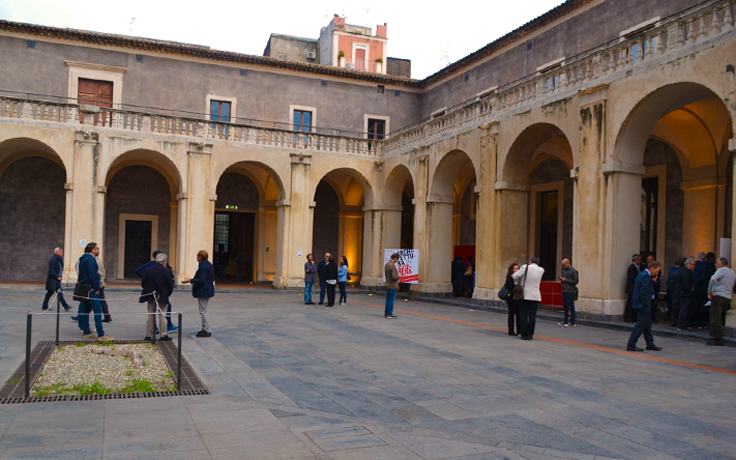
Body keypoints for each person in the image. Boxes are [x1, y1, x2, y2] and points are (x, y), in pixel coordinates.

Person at [77, 242, 113, 341]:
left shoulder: (83, 259)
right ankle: (101, 334)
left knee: (85, 310)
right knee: (97, 310)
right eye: (97, 248)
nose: (98, 250)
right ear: (92, 250)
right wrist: (96, 288)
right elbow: (92, 275)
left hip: (84, 288)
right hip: (91, 289)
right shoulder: (91, 259)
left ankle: (86, 332)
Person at [136, 250, 177, 333]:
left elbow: (144, 283)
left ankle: (149, 333)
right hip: (162, 293)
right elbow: (170, 285)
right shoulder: (165, 270)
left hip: (151, 293)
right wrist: (167, 293)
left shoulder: (149, 269)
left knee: (151, 314)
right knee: (162, 314)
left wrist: (148, 287)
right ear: (163, 261)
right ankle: (163, 334)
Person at [626, 260, 663, 351]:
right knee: (640, 324)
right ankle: (631, 344)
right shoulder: (645, 276)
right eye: (657, 271)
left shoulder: (643, 275)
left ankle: (650, 343)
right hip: (643, 305)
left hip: (643, 304)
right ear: (652, 268)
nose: (657, 273)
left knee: (647, 325)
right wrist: (647, 303)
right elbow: (644, 292)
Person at [183, 250, 215, 338]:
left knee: (203, 311)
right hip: (207, 289)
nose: (196, 258)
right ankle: (204, 328)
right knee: (203, 310)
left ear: (200, 257)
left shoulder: (203, 266)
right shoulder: (208, 264)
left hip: (204, 290)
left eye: (197, 256)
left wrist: (190, 280)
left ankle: (206, 329)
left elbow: (202, 280)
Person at [513, 257, 544, 340]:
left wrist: (519, 282)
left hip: (525, 294)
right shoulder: (541, 270)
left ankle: (524, 333)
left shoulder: (525, 267)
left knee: (523, 314)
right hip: (535, 295)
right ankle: (530, 334)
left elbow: (515, 276)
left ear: (530, 262)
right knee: (532, 316)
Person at [706, 257, 735, 346]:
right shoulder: (732, 272)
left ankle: (717, 338)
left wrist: (709, 291)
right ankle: (720, 334)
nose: (715, 264)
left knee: (715, 317)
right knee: (722, 317)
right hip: (728, 296)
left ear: (722, 263)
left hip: (718, 295)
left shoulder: (721, 270)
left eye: (717, 262)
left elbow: (713, 279)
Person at [41, 247, 72, 311]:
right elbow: (51, 270)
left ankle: (45, 306)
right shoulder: (53, 260)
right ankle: (65, 306)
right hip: (53, 280)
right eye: (60, 252)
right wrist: (57, 276)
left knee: (51, 293)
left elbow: (60, 268)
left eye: (62, 252)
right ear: (56, 252)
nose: (62, 253)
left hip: (57, 279)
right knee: (57, 293)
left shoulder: (59, 259)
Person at [673, 257, 695, 331]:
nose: (694, 266)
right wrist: (687, 293)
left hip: (681, 293)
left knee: (683, 309)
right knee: (684, 309)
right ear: (687, 264)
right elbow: (686, 284)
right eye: (692, 264)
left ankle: (682, 324)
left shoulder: (682, 271)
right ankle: (681, 325)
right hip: (684, 294)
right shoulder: (686, 272)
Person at [692, 252, 710, 330]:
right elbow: (703, 277)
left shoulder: (694, 264)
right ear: (704, 258)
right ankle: (699, 322)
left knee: (693, 305)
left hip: (693, 288)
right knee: (699, 306)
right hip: (700, 289)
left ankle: (692, 322)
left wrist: (693, 284)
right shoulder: (705, 266)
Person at [558, 258, 579, 327]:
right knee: (565, 307)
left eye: (564, 265)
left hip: (570, 291)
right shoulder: (565, 271)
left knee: (571, 306)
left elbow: (576, 281)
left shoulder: (574, 271)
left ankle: (572, 322)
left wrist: (565, 280)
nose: (563, 267)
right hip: (564, 290)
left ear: (568, 263)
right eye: (562, 265)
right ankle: (565, 321)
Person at [624, 254, 642, 323]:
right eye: (639, 259)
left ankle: (633, 317)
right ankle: (628, 317)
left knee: (633, 302)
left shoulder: (637, 267)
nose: (640, 261)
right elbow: (631, 277)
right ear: (635, 260)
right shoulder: (632, 267)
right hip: (631, 288)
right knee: (630, 303)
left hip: (633, 288)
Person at [666, 258, 683, 325]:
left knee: (674, 306)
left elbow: (670, 282)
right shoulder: (681, 272)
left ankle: (673, 319)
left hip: (674, 291)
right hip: (680, 291)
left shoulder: (673, 271)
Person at [504, 263, 520, 336]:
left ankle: (519, 330)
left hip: (518, 297)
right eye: (515, 268)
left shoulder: (519, 277)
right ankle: (511, 330)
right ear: (511, 269)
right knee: (511, 314)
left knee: (519, 314)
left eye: (517, 268)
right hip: (511, 298)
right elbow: (510, 288)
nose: (517, 270)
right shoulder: (510, 277)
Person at [96, 253, 112, 322]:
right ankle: (107, 315)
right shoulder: (98, 260)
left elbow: (98, 273)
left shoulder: (95, 261)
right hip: (101, 283)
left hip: (98, 284)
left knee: (90, 301)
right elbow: (103, 272)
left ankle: (81, 315)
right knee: (101, 300)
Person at [384, 252, 400, 318]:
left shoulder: (387, 264)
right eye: (397, 259)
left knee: (388, 299)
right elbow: (394, 277)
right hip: (392, 285)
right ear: (395, 258)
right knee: (391, 300)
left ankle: (387, 313)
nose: (397, 260)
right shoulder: (392, 266)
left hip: (388, 284)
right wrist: (399, 276)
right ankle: (389, 313)